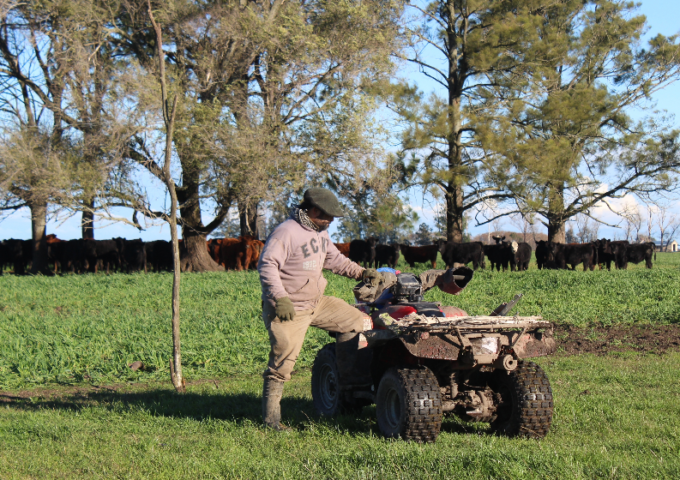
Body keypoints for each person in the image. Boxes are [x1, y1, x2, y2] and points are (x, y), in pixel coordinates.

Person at [257, 187, 383, 430]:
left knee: (355, 320)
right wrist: (280, 298)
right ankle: (271, 421)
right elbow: (267, 265)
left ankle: (346, 388)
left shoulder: (320, 232)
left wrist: (362, 272)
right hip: (288, 307)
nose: (332, 220)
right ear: (313, 210)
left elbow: (334, 260)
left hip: (316, 302)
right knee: (282, 364)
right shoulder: (286, 232)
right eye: (328, 215)